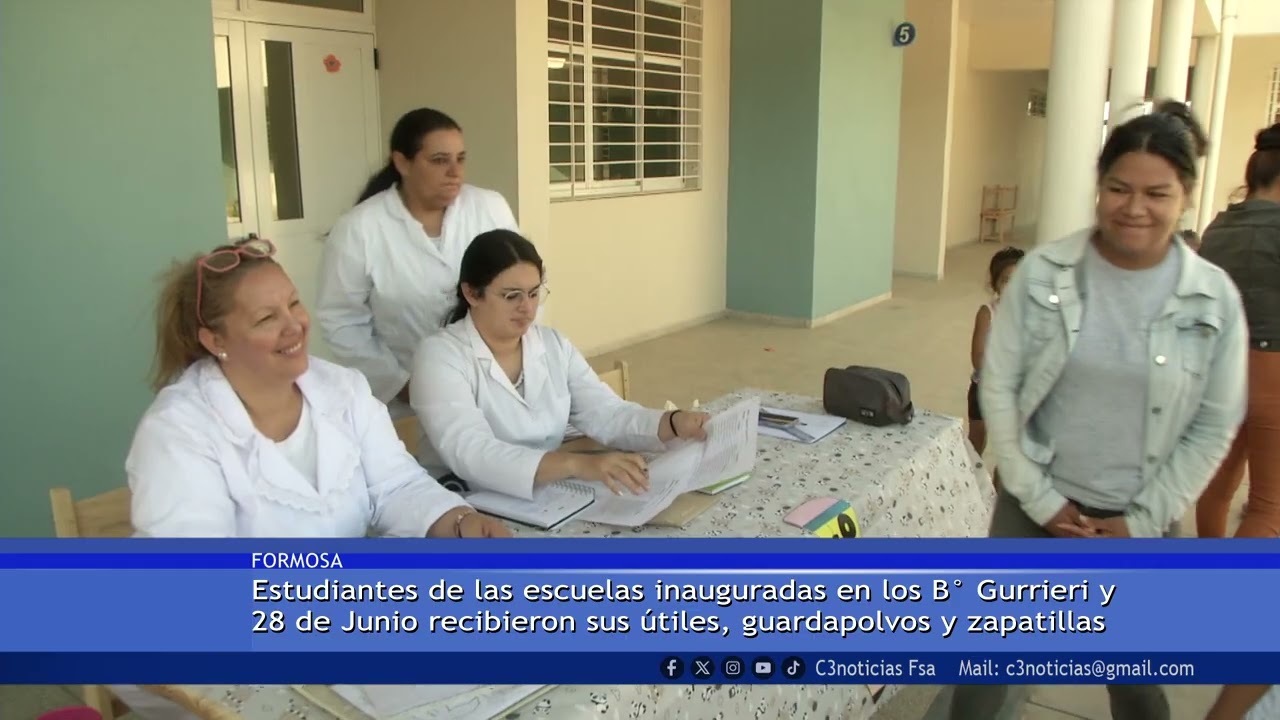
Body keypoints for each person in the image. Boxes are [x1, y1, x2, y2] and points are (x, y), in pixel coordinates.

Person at [949, 101, 1247, 720]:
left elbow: (1214, 424)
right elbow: (998, 390)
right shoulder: (1042, 275)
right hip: (1035, 507)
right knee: (986, 672)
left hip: (1141, 515)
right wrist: (1043, 501)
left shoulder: (1213, 297)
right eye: (1118, 188)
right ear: (1098, 187)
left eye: (1157, 192)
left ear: (1186, 195)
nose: (1134, 208)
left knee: (1134, 679)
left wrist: (1143, 519)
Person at [126, 238, 511, 539]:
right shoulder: (178, 431)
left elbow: (394, 487)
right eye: (266, 318)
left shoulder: (342, 389)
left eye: (294, 303)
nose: (294, 326)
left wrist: (460, 521)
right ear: (214, 341)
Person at [409, 229, 710, 500]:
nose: (527, 308)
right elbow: (471, 452)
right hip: (463, 500)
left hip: (544, 493)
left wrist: (671, 422)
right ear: (472, 293)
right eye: (511, 296)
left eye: (534, 293)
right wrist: (575, 463)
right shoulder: (439, 356)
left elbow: (606, 412)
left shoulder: (553, 345)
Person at [315, 108, 518, 419]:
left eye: (460, 159)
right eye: (439, 160)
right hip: (405, 400)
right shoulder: (359, 228)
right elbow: (341, 321)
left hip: (495, 383)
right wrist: (401, 385)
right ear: (402, 162)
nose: (455, 172)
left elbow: (522, 288)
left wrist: (512, 363)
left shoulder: (490, 208)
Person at [1196, 123, 1280, 539]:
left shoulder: (1217, 228)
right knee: (1269, 506)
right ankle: (1234, 595)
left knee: (1218, 486)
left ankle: (1209, 579)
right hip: (1273, 371)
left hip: (1222, 369)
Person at [967, 246, 1025, 457]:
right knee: (976, 441)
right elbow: (978, 359)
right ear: (995, 284)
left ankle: (1002, 486)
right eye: (1007, 280)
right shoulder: (987, 314)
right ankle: (971, 480)